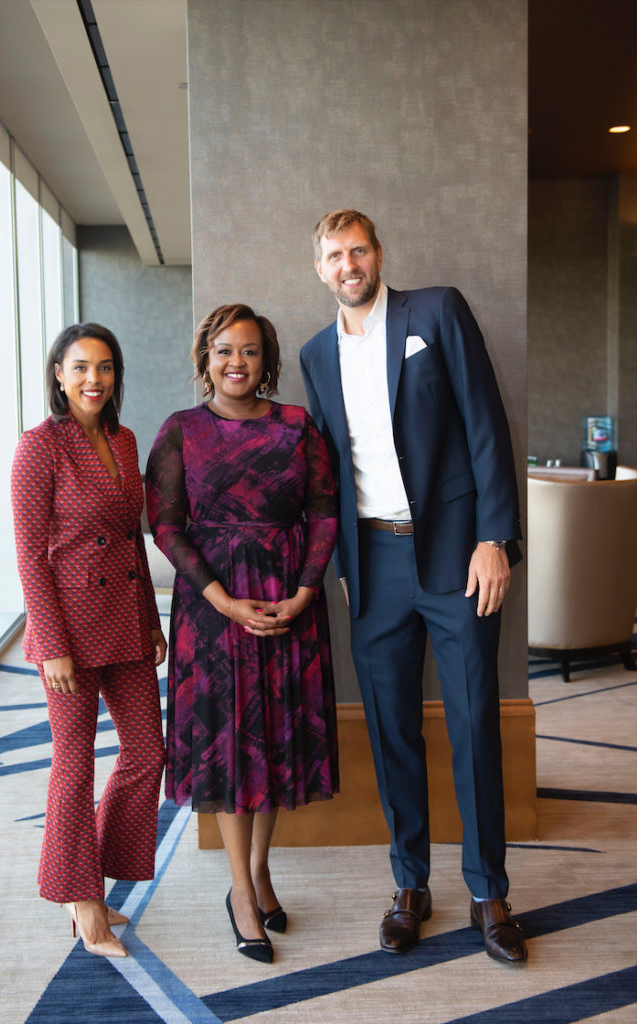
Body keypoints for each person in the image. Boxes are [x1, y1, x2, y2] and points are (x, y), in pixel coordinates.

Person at [300, 210, 527, 965]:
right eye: (334, 255)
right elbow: (330, 470)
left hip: (459, 553)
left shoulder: (435, 312)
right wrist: (342, 567)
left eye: (358, 250)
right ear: (320, 269)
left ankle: (488, 892)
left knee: (473, 724)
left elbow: (486, 422)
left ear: (378, 254)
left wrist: (495, 539)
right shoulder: (314, 354)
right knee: (391, 728)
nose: (348, 264)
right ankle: (410, 885)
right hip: (372, 562)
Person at [145, 303, 339, 964]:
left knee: (273, 740)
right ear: (206, 358)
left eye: (250, 351)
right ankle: (240, 892)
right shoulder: (180, 430)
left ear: (266, 361)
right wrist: (222, 600)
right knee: (230, 746)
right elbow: (166, 525)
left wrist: (305, 591)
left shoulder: (296, 426)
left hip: (287, 601)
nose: (237, 362)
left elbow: (324, 511)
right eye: (224, 350)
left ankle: (258, 871)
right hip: (212, 608)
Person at [11, 323, 167, 959]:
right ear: (59, 374)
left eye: (104, 367)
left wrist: (152, 621)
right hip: (69, 630)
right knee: (74, 765)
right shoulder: (38, 446)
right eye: (79, 367)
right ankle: (83, 901)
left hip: (126, 619)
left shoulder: (124, 440)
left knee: (148, 753)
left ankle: (93, 875)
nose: (93, 379)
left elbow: (132, 540)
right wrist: (50, 643)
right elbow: (29, 556)